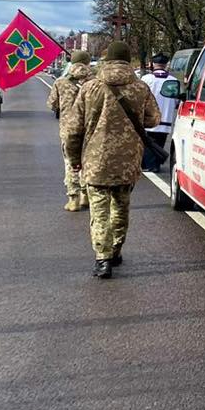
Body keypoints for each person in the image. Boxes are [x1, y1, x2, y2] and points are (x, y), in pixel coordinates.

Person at [63, 41, 160, 279]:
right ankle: (116, 249)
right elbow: (153, 119)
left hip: (95, 159)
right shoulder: (140, 88)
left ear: (106, 61)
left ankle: (102, 258)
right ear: (127, 61)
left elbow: (73, 129)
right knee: (121, 206)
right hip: (128, 159)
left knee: (99, 210)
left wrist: (74, 158)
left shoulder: (91, 87)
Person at [47, 50, 94, 211]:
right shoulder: (96, 82)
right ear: (88, 62)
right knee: (88, 162)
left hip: (68, 128)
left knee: (70, 162)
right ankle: (85, 195)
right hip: (91, 128)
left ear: (71, 63)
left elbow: (52, 104)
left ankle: (73, 199)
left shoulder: (61, 82)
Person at [141, 54, 179, 172]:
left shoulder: (146, 79)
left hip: (149, 118)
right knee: (160, 142)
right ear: (166, 65)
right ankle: (156, 164)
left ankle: (151, 165)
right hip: (166, 118)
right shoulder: (173, 81)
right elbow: (176, 101)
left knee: (148, 143)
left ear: (153, 64)